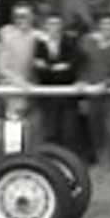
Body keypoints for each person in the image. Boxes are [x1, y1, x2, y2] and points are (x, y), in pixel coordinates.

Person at [78, 13, 110, 166]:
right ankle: (100, 161)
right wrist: (82, 81)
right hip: (92, 94)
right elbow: (80, 65)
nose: (107, 27)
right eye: (104, 24)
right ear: (99, 26)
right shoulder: (87, 43)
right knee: (96, 129)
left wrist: (106, 84)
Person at [31, 11, 83, 151]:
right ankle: (51, 162)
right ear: (45, 26)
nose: (54, 27)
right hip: (49, 96)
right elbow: (39, 70)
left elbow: (73, 66)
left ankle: (70, 163)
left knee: (69, 132)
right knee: (50, 132)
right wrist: (57, 68)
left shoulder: (71, 42)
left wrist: (49, 68)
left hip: (68, 96)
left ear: (62, 26)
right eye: (50, 24)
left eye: (57, 23)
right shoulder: (40, 44)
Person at [0, 1, 39, 120]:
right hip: (12, 91)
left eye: (25, 16)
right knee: (13, 130)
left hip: (34, 91)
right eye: (17, 16)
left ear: (32, 16)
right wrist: (18, 82)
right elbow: (2, 67)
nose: (21, 20)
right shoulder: (7, 36)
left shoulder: (39, 37)